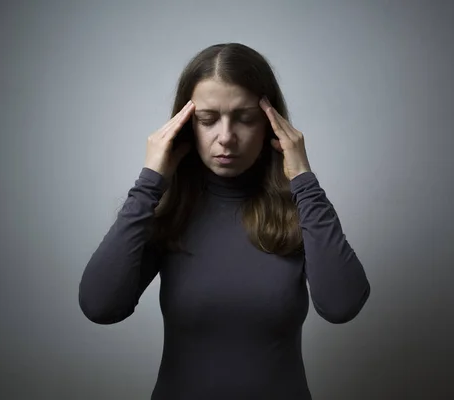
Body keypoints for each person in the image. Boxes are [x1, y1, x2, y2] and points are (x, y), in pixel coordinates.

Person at [79, 42, 370, 400]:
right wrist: (148, 183)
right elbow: (100, 306)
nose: (226, 137)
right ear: (186, 126)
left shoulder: (301, 210)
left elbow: (342, 305)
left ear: (271, 125)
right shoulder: (169, 212)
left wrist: (303, 180)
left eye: (245, 118)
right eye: (207, 120)